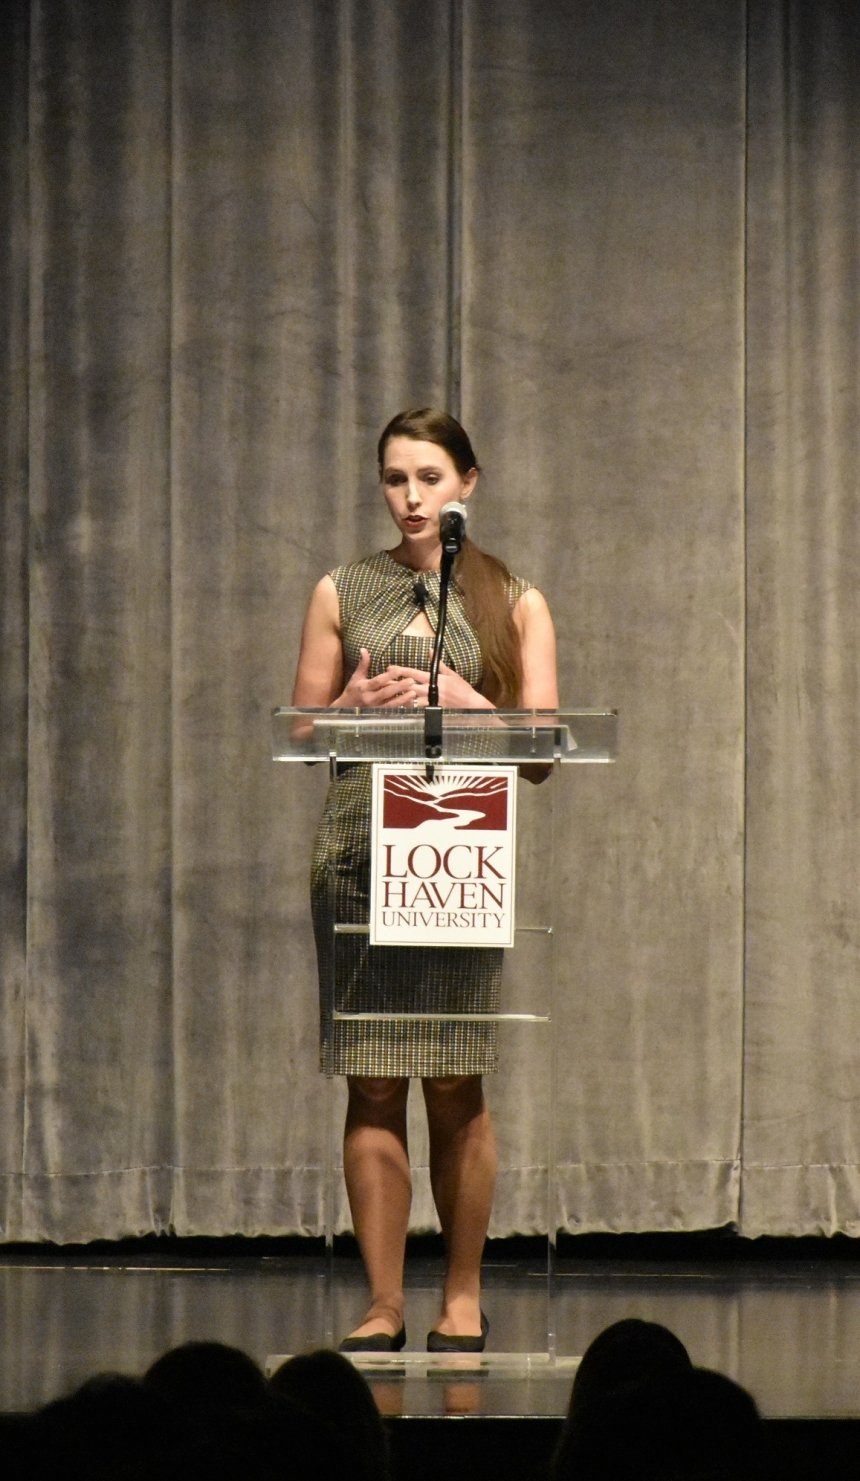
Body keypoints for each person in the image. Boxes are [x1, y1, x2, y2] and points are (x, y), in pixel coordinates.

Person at [291, 407, 558, 1352]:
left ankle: (461, 1294)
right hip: (361, 857)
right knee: (371, 1086)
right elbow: (301, 727)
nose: (412, 497)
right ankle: (382, 1301)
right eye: (396, 478)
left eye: (430, 479)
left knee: (455, 1085)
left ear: (468, 485)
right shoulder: (343, 587)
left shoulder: (512, 598)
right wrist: (348, 707)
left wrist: (472, 701)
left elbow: (543, 753)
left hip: (455, 860)